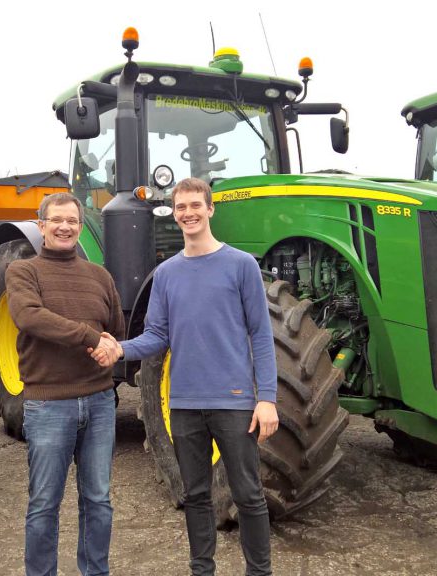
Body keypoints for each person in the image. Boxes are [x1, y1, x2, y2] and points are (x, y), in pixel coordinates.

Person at [92, 177, 279, 575]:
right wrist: (122, 349)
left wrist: (267, 398)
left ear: (210, 209)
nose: (189, 214)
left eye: (196, 205)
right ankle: (202, 569)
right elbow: (158, 335)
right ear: (173, 214)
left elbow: (261, 335)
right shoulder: (167, 274)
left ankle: (259, 572)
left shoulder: (241, 265)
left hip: (234, 403)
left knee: (248, 495)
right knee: (195, 496)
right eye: (181, 208)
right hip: (185, 406)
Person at [5, 192, 125, 576]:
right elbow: (30, 317)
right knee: (44, 503)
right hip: (48, 404)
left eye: (72, 220)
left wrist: (109, 348)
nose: (65, 227)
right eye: (56, 220)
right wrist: (91, 338)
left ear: (80, 224)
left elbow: (116, 330)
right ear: (41, 226)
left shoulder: (99, 276)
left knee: (98, 500)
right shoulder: (23, 272)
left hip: (100, 402)